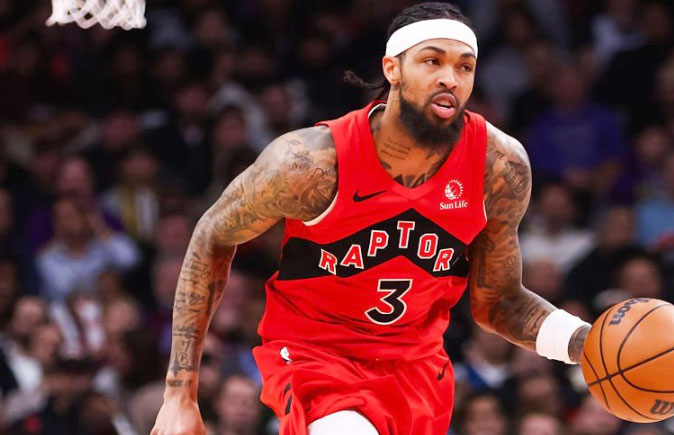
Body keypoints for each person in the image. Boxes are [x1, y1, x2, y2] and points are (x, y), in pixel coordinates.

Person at [151, 3, 592, 435]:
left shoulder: (499, 167)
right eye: (432, 61)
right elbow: (212, 235)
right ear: (392, 68)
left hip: (417, 370)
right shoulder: (311, 162)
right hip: (317, 356)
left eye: (465, 67)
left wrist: (584, 343)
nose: (450, 78)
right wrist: (179, 393)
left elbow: (499, 303)